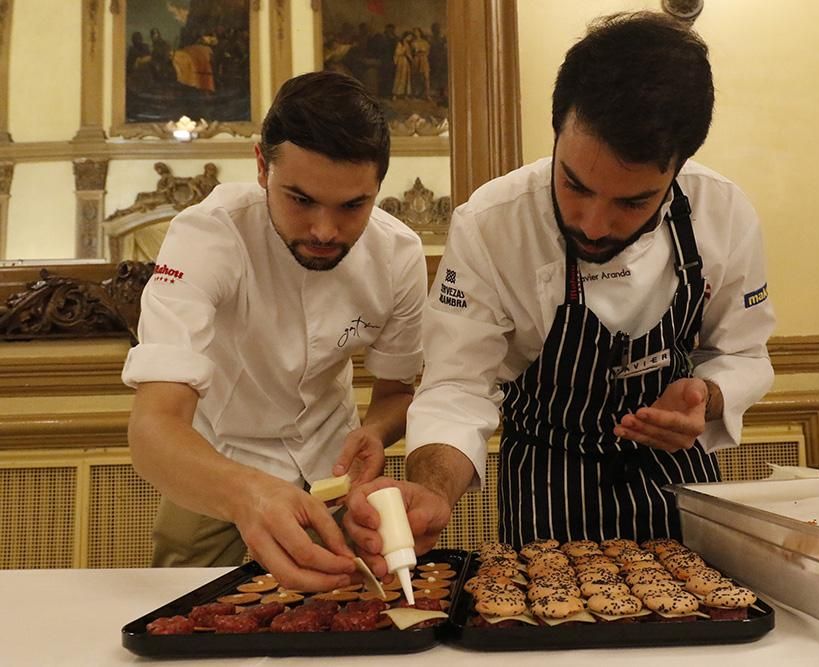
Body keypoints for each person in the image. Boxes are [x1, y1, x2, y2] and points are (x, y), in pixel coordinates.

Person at [343, 11, 775, 563]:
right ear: (556, 132)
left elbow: (744, 352)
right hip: (547, 484)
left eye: (632, 202)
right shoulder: (492, 223)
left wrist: (707, 398)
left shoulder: (724, 212)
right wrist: (432, 490)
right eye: (574, 185)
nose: (593, 224)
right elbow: (457, 386)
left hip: (680, 481)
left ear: (677, 169)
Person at [123, 70, 427, 591]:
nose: (326, 231)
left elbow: (397, 392)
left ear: (378, 187)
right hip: (214, 468)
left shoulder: (398, 255)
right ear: (262, 166)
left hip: (332, 468)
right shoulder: (206, 236)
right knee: (190, 620)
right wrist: (248, 494)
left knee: (352, 618)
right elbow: (154, 429)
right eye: (301, 199)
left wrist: (374, 433)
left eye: (353, 205)